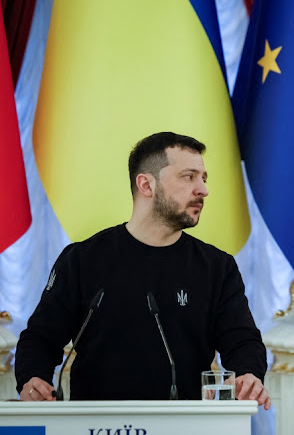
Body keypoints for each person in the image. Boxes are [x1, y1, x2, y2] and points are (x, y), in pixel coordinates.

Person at [15, 132, 271, 408]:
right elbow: (40, 339)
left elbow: (243, 340)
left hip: (187, 431)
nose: (203, 190)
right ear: (146, 185)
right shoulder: (82, 259)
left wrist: (248, 374)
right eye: (189, 177)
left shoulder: (217, 267)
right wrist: (33, 378)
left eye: (204, 178)